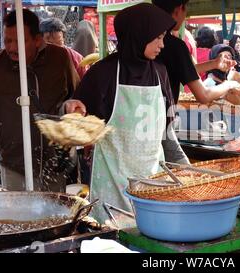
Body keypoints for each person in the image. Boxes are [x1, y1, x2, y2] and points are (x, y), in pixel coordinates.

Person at [68, 3, 177, 219]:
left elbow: (167, 125)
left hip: (152, 177)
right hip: (112, 179)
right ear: (138, 33)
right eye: (157, 38)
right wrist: (73, 111)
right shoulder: (103, 73)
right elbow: (76, 118)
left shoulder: (161, 72)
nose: (162, 45)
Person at [0, 9, 80, 192]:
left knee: (53, 217)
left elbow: (75, 95)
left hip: (54, 161)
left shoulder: (59, 59)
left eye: (19, 41)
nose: (11, 47)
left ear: (37, 39)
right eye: (8, 41)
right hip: (14, 163)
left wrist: (73, 106)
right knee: (19, 217)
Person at [151, 0, 240, 105]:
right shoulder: (175, 46)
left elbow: (184, 69)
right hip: (162, 113)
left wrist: (214, 64)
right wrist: (229, 85)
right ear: (179, 9)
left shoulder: (149, 41)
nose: (161, 44)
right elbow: (204, 95)